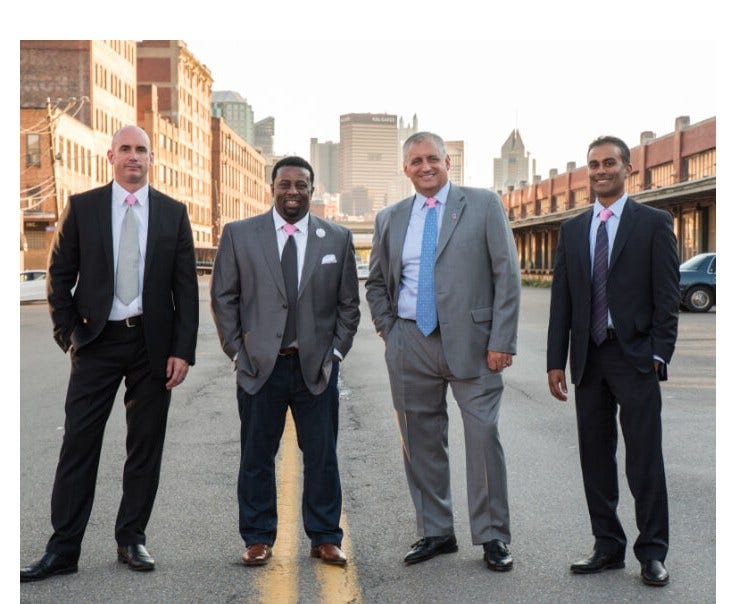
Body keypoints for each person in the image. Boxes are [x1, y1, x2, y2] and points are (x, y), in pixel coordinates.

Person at [21, 125, 199, 581]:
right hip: (96, 342)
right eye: (125, 149)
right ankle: (63, 550)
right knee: (79, 443)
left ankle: (131, 538)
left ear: (151, 158)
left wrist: (182, 350)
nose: (133, 157)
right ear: (110, 156)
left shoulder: (173, 213)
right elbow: (57, 276)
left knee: (145, 446)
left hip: (152, 347)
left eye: (141, 150)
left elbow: (186, 289)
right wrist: (71, 337)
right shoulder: (84, 208)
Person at [365, 132, 520, 571]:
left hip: (475, 345)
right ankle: (436, 531)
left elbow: (506, 274)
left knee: (483, 438)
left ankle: (492, 536)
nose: (425, 166)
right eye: (415, 160)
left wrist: (501, 341)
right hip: (410, 340)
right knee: (420, 440)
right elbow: (376, 282)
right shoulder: (390, 218)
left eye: (432, 158)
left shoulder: (483, 204)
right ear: (405, 168)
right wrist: (391, 333)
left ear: (449, 162)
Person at [210, 156, 360, 568]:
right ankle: (257, 538)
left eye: (301, 185)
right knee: (257, 456)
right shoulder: (240, 235)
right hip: (261, 367)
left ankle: (326, 537)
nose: (293, 191)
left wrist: (335, 352)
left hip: (316, 368)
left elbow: (349, 305)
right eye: (285, 184)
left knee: (322, 456)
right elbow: (224, 297)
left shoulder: (337, 238)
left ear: (313, 190)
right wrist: (238, 352)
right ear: (271, 187)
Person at [546, 135, 680, 587]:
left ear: (627, 169)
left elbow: (667, 296)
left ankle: (652, 553)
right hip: (589, 359)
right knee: (595, 458)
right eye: (593, 165)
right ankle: (607, 546)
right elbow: (561, 301)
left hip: (636, 356)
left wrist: (660, 352)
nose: (600, 170)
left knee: (644, 459)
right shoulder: (572, 229)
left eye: (609, 163)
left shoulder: (653, 223)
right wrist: (555, 361)